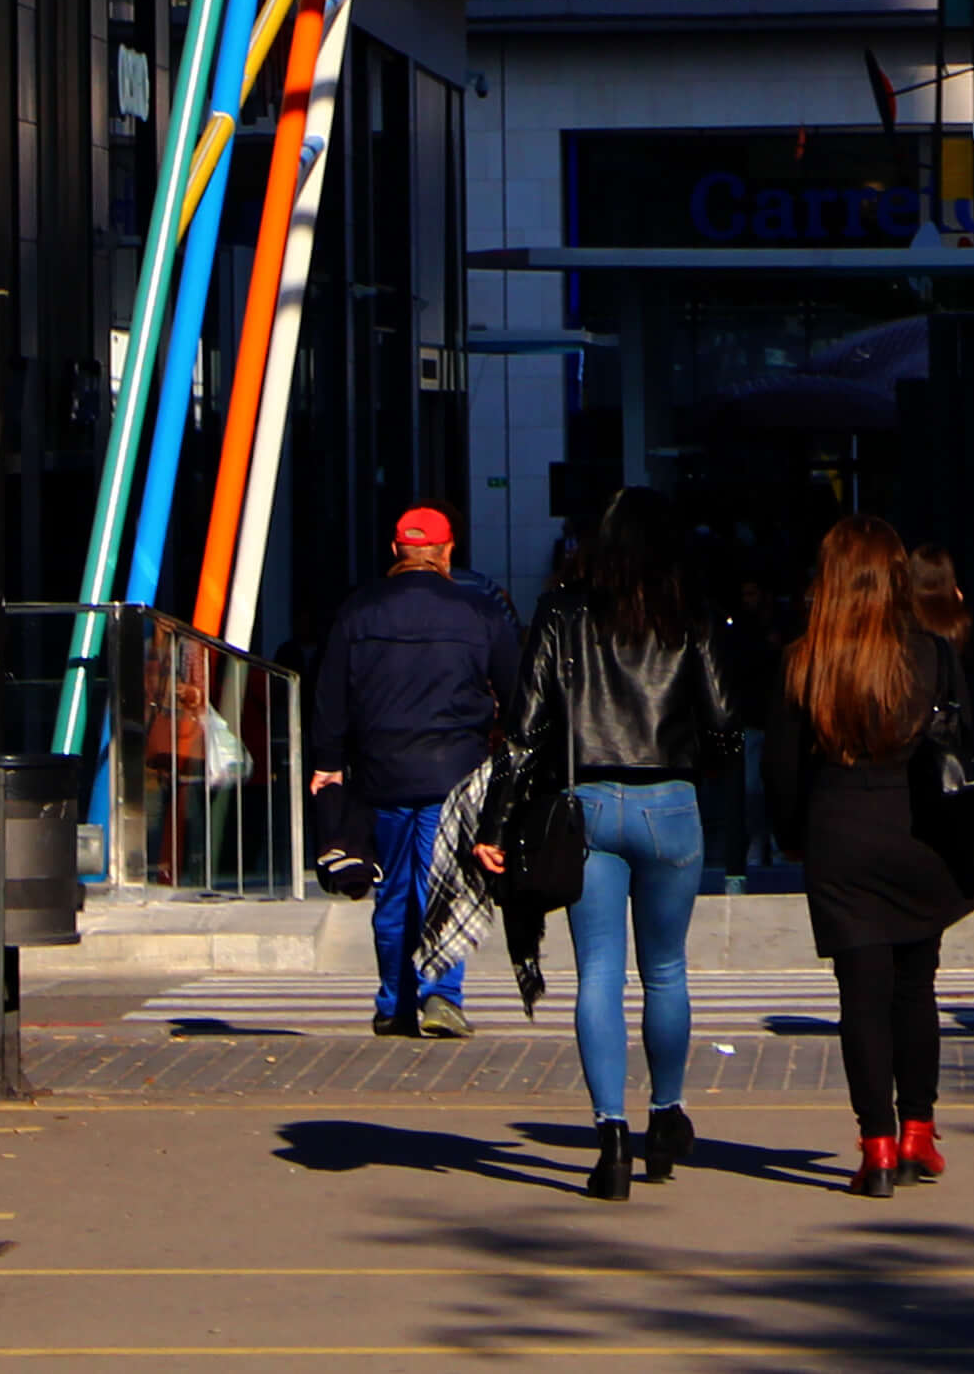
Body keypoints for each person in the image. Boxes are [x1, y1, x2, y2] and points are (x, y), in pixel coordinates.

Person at [478, 487, 733, 1200]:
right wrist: (708, 766)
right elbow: (723, 717)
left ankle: (611, 1137)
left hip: (586, 802)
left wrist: (496, 824)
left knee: (598, 973)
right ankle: (667, 1111)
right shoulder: (690, 613)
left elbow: (524, 730)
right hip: (671, 800)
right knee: (666, 971)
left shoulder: (563, 613)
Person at [765, 513, 974, 1196]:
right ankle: (921, 1130)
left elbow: (780, 769)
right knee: (916, 986)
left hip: (841, 829)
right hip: (918, 829)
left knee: (860, 998)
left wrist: (792, 835)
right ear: (894, 576)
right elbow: (965, 745)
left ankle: (878, 1145)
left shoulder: (804, 658)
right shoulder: (932, 653)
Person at [307, 503, 521, 1040]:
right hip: (456, 772)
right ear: (448, 552)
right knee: (444, 885)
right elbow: (518, 695)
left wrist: (327, 764)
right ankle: (441, 998)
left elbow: (329, 694)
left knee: (395, 889)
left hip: (381, 774)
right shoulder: (479, 612)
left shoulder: (358, 612)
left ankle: (393, 1000)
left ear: (396, 551)